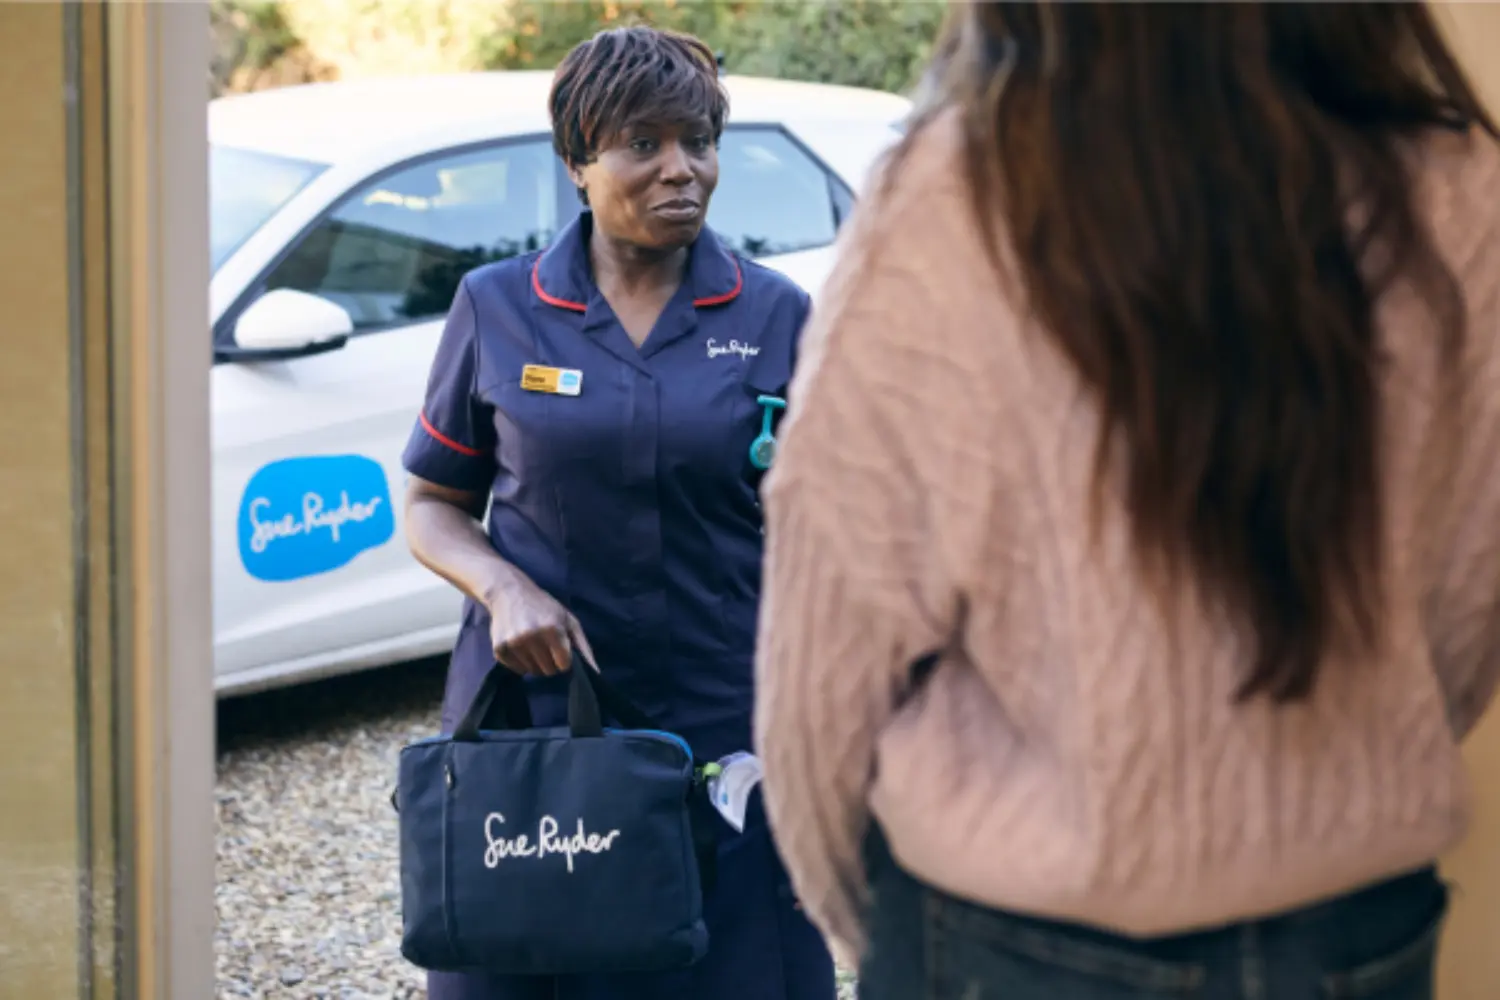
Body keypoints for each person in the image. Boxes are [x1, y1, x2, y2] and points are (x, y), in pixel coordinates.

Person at [753, 3, 1500, 998]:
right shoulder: (1464, 193)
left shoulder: (953, 195)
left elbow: (826, 657)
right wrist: (1321, 769)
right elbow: (1465, 612)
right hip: (1353, 930)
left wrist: (885, 927)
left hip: (996, 934)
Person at [399, 24, 833, 1000]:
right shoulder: (497, 307)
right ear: (578, 162)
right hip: (539, 724)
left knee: (735, 969)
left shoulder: (776, 316)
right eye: (644, 144)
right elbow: (431, 502)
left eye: (700, 141)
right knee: (532, 959)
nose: (682, 169)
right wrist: (503, 588)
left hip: (727, 720)